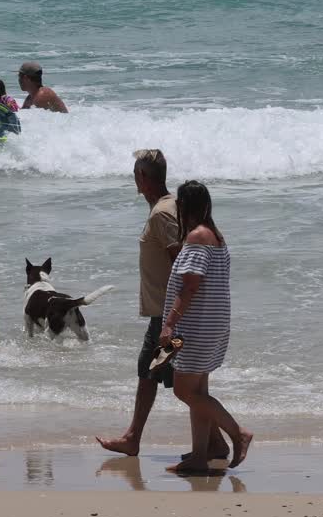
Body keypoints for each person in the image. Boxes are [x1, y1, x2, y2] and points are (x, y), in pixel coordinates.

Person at [96, 151, 228, 459]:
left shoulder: (163, 213)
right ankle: (141, 438)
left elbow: (186, 264)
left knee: (177, 381)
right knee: (154, 373)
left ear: (142, 177)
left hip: (169, 318)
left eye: (135, 174)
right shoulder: (166, 208)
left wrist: (174, 319)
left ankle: (228, 437)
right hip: (166, 314)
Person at [162, 180, 252, 474]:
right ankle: (199, 456)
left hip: (195, 328)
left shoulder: (198, 237)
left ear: (183, 206)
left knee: (183, 390)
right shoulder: (215, 235)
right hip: (212, 324)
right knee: (198, 392)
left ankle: (238, 433)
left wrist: (169, 324)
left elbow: (190, 286)